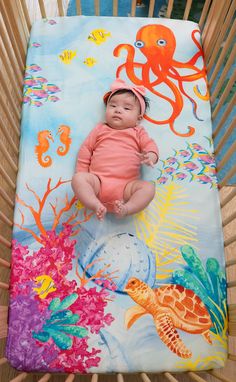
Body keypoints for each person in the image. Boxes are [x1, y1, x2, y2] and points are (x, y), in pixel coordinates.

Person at [72, 78, 159, 220]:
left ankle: (127, 208)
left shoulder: (138, 132)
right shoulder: (100, 129)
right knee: (77, 179)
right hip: (97, 183)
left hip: (126, 189)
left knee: (149, 188)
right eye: (113, 106)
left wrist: (151, 156)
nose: (118, 110)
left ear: (138, 118)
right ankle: (95, 204)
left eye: (126, 108)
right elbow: (86, 150)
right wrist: (83, 174)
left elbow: (150, 145)